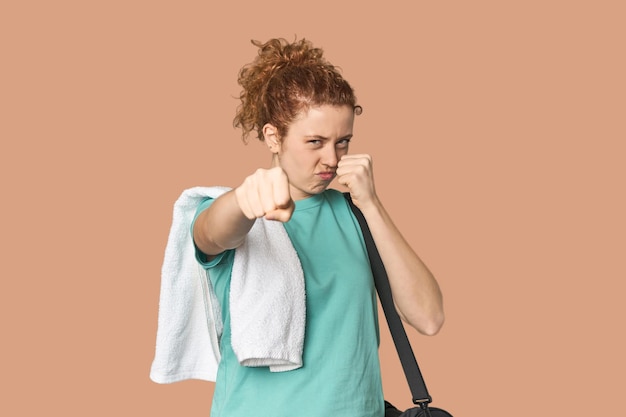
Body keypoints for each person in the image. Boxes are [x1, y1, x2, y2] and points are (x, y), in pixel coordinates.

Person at [191, 37, 444, 417]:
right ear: (273, 137)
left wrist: (371, 204)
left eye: (343, 142)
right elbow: (211, 233)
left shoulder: (355, 214)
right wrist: (243, 201)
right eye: (315, 142)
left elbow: (429, 317)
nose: (332, 158)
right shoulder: (237, 210)